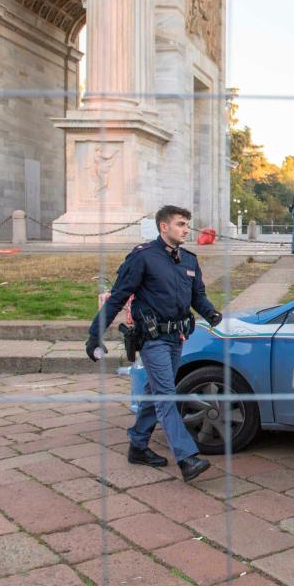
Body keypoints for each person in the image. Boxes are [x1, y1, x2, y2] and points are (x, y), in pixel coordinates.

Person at [86, 205, 223, 483]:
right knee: (165, 396)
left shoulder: (188, 260)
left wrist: (212, 314)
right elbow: (117, 297)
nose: (186, 230)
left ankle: (137, 445)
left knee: (155, 391)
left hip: (177, 338)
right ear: (164, 227)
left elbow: (198, 297)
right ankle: (187, 457)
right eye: (181, 224)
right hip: (152, 339)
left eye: (187, 225)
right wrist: (94, 334)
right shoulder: (143, 257)